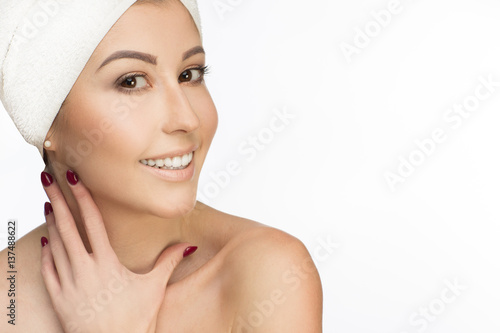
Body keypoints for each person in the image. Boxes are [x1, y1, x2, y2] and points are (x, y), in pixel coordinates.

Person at [0, 0, 323, 331]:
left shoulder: (269, 274)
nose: (187, 118)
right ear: (46, 122)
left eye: (189, 74)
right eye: (132, 82)